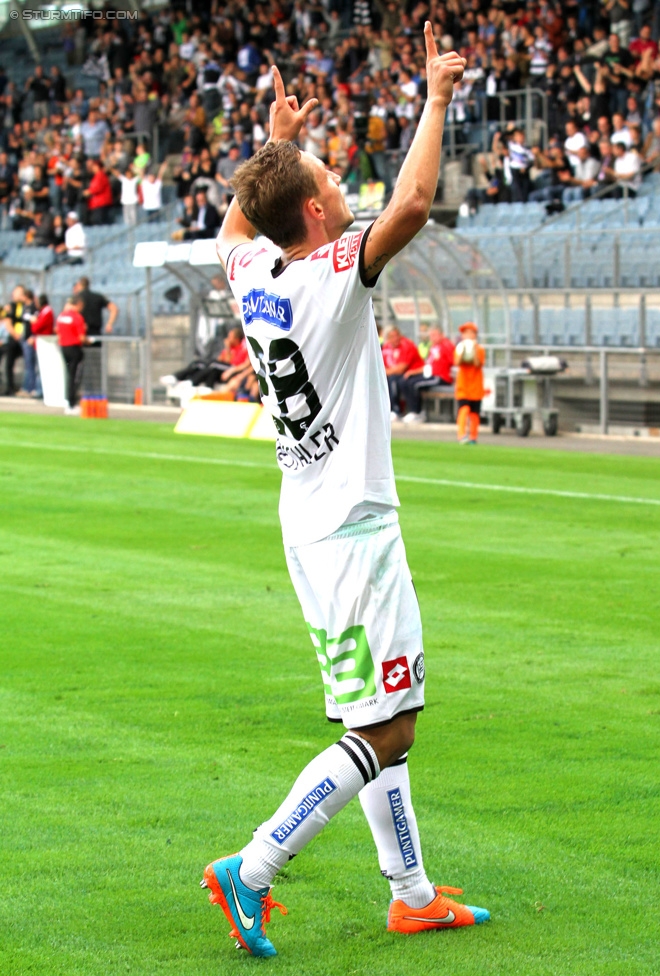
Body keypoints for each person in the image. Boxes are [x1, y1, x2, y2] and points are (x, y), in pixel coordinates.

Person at [200, 28, 490, 960]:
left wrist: (274, 143)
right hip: (354, 521)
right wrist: (437, 96)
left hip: (305, 516)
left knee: (371, 714)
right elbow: (411, 200)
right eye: (327, 180)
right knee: (390, 723)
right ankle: (252, 866)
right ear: (321, 214)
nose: (337, 186)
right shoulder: (330, 274)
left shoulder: (254, 272)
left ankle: (409, 891)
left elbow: (234, 224)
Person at [398, 326, 455, 423]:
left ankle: (417, 412)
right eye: (431, 335)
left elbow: (454, 361)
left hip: (440, 377)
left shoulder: (447, 345)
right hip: (430, 375)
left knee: (415, 385)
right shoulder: (433, 347)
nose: (432, 338)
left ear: (442, 335)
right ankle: (411, 412)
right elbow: (428, 365)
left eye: (434, 335)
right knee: (406, 381)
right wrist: (413, 372)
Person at [382, 326, 424, 420]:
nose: (396, 338)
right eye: (392, 336)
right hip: (396, 375)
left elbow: (401, 368)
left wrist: (386, 371)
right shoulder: (386, 347)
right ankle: (389, 410)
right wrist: (385, 371)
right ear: (387, 338)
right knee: (387, 380)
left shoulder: (407, 344)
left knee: (397, 380)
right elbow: (381, 364)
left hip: (414, 373)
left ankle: (398, 411)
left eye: (397, 335)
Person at [455, 322, 485, 444]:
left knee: (474, 413)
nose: (467, 335)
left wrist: (473, 349)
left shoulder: (480, 349)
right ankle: (461, 435)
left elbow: (478, 363)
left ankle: (473, 437)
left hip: (476, 385)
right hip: (463, 384)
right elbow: (457, 362)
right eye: (465, 333)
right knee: (464, 409)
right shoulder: (459, 348)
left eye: (470, 333)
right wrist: (463, 350)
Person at [55, 295, 87, 414]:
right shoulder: (77, 317)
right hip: (74, 348)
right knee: (75, 377)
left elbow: (57, 331)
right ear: (78, 304)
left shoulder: (61, 316)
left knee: (70, 375)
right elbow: (82, 337)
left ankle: (69, 401)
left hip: (63, 347)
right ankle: (71, 404)